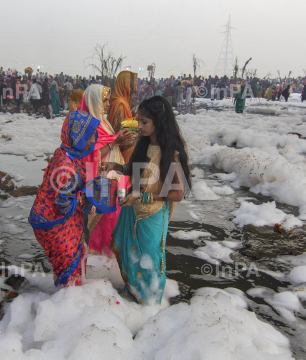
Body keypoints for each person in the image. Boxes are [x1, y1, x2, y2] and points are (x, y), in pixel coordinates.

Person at [102, 96, 191, 305]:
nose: (139, 126)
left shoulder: (171, 152)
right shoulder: (143, 145)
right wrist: (116, 166)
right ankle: (133, 294)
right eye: (139, 121)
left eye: (144, 122)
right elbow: (138, 173)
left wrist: (142, 196)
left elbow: (178, 193)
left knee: (149, 260)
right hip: (133, 209)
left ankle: (149, 304)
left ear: (159, 122)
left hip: (152, 215)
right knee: (132, 257)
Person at [28, 111, 100, 288]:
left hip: (62, 220)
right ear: (78, 136)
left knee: (78, 254)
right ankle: (66, 301)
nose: (92, 141)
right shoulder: (65, 165)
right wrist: (87, 196)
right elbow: (64, 204)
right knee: (67, 264)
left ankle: (72, 298)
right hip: (54, 223)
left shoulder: (68, 153)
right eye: (90, 136)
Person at [80, 84, 132, 256]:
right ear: (93, 101)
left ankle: (111, 255)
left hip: (112, 176)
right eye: (104, 100)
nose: (108, 104)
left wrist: (120, 139)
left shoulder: (103, 121)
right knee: (104, 217)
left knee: (114, 216)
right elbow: (91, 154)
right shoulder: (88, 125)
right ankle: (101, 254)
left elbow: (109, 144)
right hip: (100, 178)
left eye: (108, 100)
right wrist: (114, 142)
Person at [107, 70, 138, 164]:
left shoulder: (124, 102)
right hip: (123, 150)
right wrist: (136, 121)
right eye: (132, 83)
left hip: (127, 148)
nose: (134, 86)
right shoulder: (120, 104)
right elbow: (119, 131)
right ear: (126, 84)